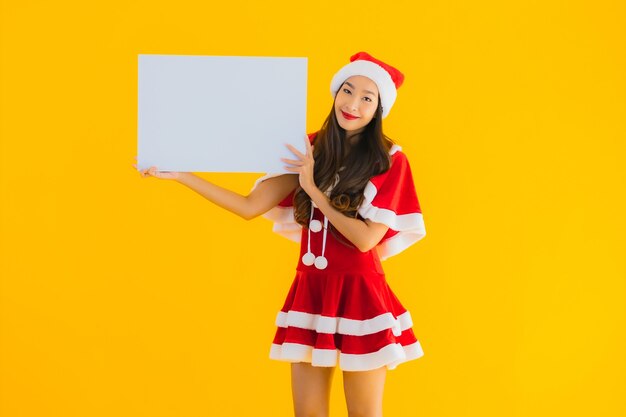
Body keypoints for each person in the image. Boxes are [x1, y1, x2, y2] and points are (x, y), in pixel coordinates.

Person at [134, 51, 426, 417]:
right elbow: (249, 206)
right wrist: (181, 175)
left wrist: (315, 191)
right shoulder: (309, 148)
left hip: (360, 294)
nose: (352, 104)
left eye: (367, 98)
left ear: (379, 108)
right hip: (310, 290)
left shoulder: (390, 159)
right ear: (335, 93)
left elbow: (367, 240)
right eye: (347, 91)